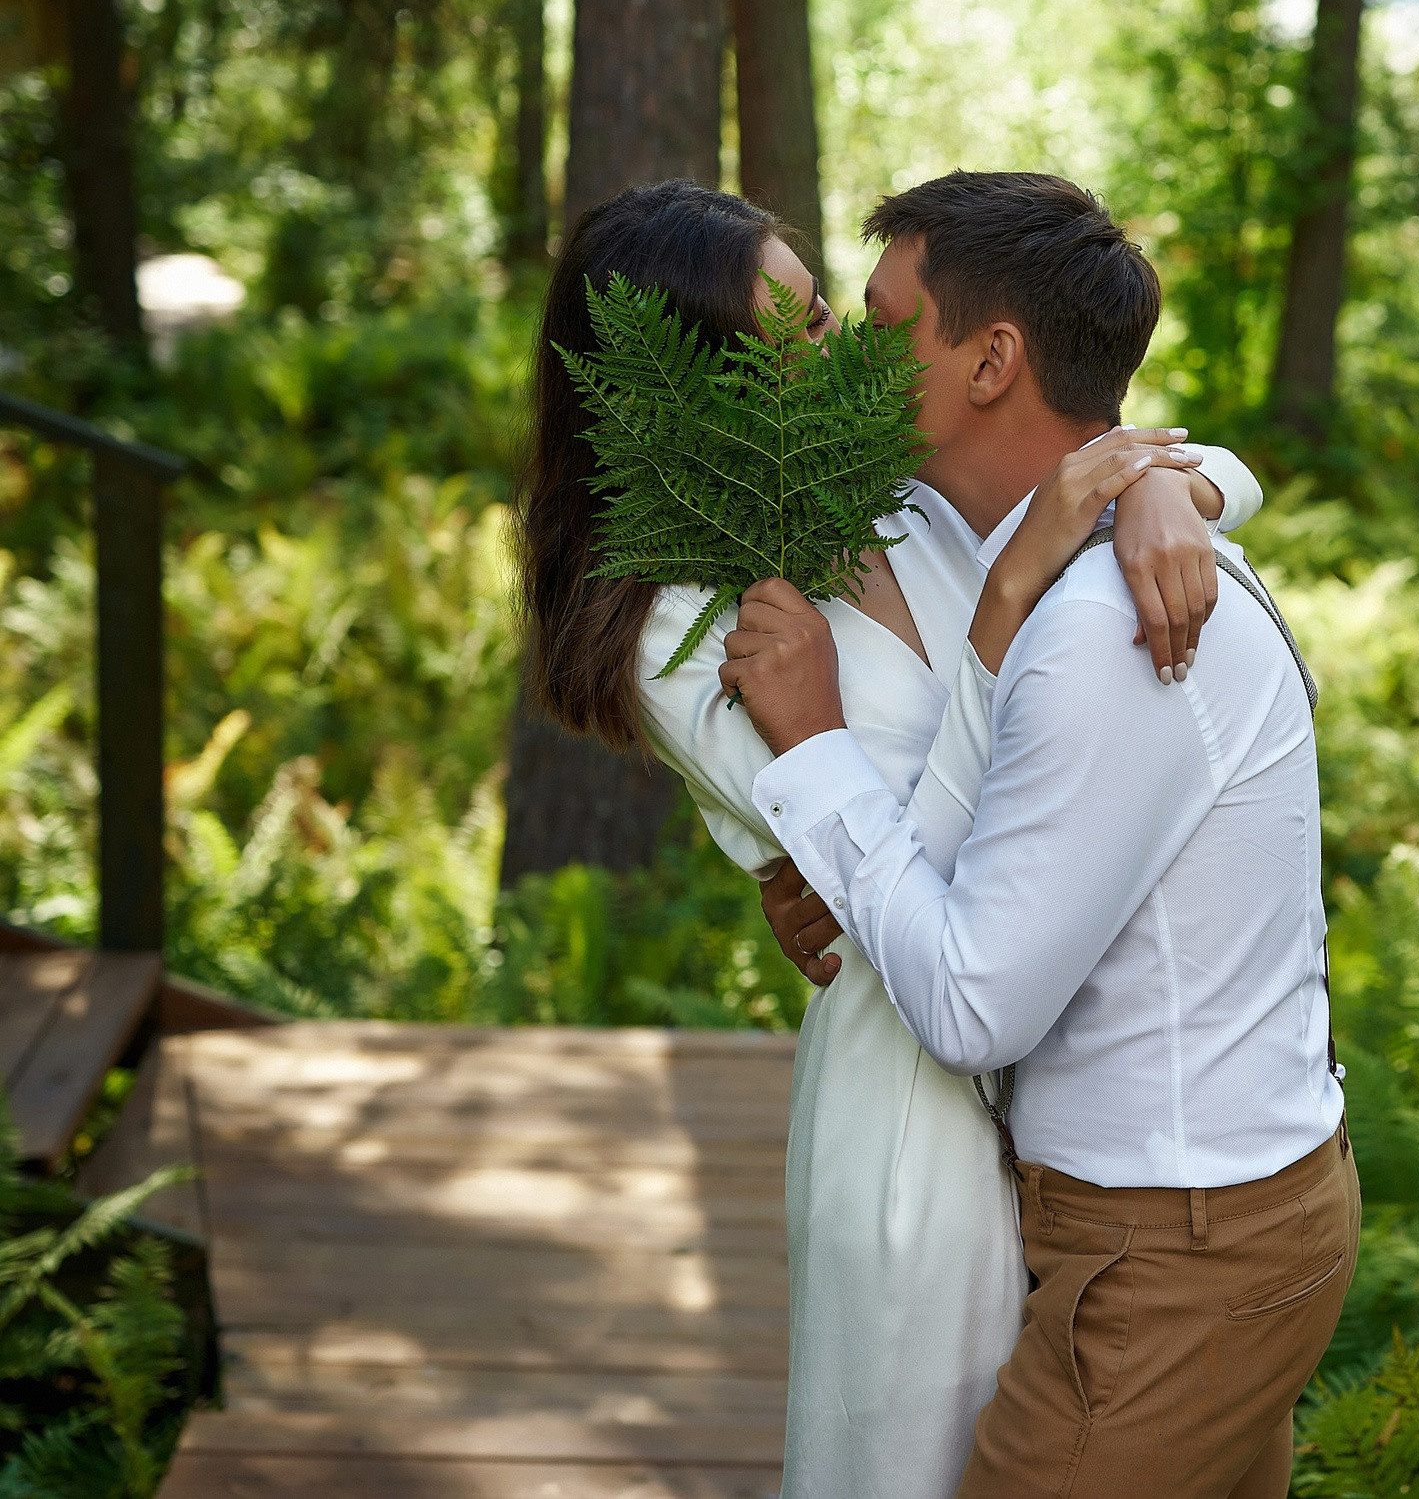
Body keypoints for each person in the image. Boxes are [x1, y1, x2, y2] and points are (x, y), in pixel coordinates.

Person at [514, 177, 1270, 1499]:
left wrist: (1168, 492)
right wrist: (1013, 600)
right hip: (912, 1119)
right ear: (688, 390)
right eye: (795, 335)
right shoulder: (677, 638)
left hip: (1067, 1106)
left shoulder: (888, 496)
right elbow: (925, 863)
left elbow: (1096, 460)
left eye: (829, 313)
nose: (846, 353)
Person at [721, 170, 1355, 1499]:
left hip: (1176, 1261)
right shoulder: (1093, 558)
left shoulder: (1107, 627)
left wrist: (819, 753)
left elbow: (969, 1004)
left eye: (884, 324)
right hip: (1195, 1224)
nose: (846, 359)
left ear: (991, 361)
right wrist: (1171, 483)